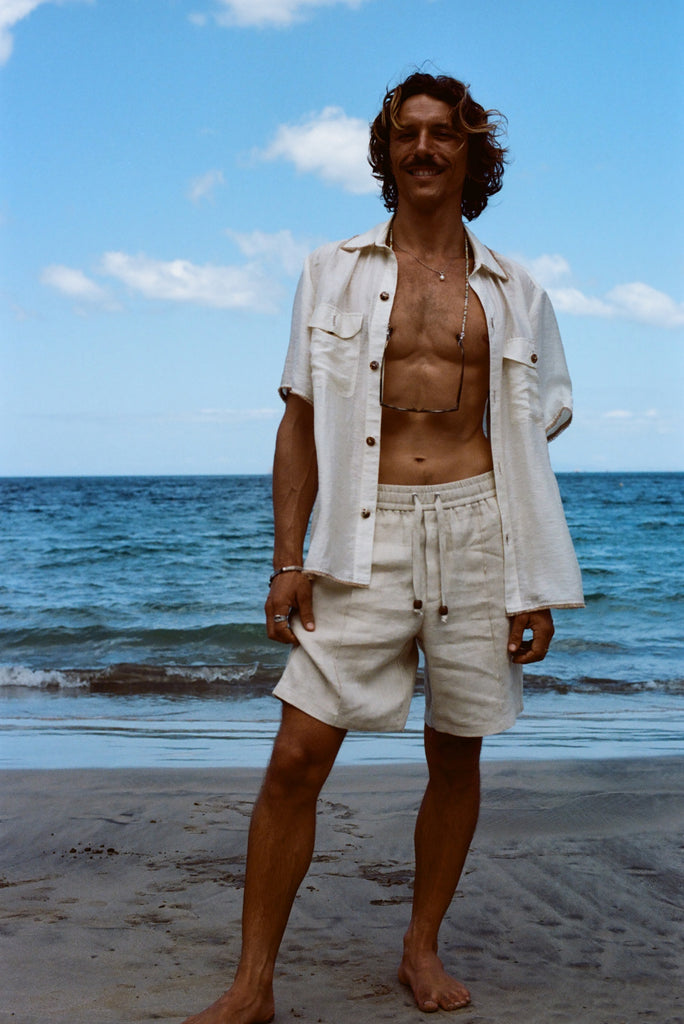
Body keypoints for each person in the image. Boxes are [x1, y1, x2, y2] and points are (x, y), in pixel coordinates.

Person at [182, 72, 583, 1024]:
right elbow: (299, 420)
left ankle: (421, 947)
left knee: (458, 752)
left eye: (445, 135)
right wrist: (288, 558)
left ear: (473, 153)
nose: (425, 150)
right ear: (386, 151)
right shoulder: (332, 270)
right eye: (408, 134)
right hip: (362, 535)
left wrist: (531, 577)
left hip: (479, 528)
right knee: (296, 757)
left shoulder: (519, 292)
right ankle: (253, 986)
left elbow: (533, 429)